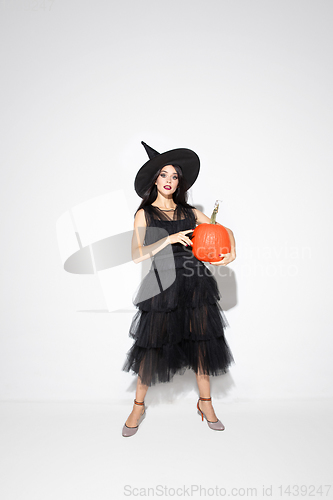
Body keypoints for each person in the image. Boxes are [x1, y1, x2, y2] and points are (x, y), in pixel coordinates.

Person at [121, 141, 236, 437]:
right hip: (162, 287)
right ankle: (138, 406)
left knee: (202, 346)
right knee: (150, 349)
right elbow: (137, 253)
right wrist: (168, 240)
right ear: (154, 180)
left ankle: (206, 403)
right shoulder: (145, 214)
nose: (169, 181)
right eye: (164, 175)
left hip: (196, 284)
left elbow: (224, 230)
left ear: (179, 181)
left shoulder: (189, 211)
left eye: (174, 176)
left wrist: (231, 250)